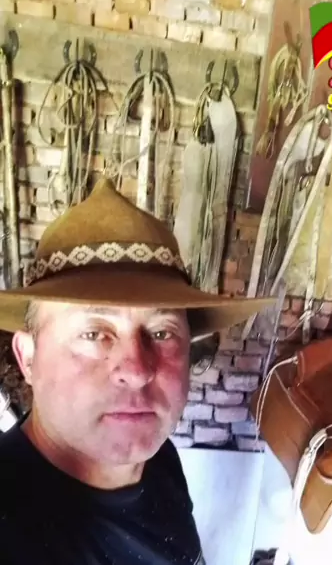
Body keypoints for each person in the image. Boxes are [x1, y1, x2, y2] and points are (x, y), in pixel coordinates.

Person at [0, 178, 274, 565]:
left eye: (161, 333)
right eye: (94, 334)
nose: (137, 370)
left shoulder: (160, 460)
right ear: (28, 357)